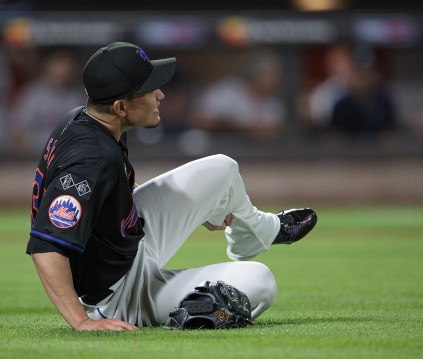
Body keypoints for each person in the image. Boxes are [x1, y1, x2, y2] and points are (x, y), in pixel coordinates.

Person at [26, 42, 317, 331]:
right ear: (121, 106)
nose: (160, 94)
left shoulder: (87, 119)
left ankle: (255, 233)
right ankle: (190, 308)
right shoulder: (91, 160)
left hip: (127, 243)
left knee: (222, 168)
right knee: (261, 281)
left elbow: (110, 189)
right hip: (117, 294)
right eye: (150, 89)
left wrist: (197, 208)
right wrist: (81, 321)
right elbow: (46, 245)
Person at [190, 50, 285, 137]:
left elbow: (269, 132)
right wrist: (237, 126)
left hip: (255, 151)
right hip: (218, 148)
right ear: (255, 74)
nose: (275, 79)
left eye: (276, 75)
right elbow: (200, 120)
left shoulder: (274, 103)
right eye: (269, 74)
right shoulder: (226, 92)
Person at [9, 50, 85, 154]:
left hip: (68, 156)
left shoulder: (78, 95)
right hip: (34, 157)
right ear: (47, 68)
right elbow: (17, 136)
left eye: (66, 69)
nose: (61, 73)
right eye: (57, 68)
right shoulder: (32, 94)